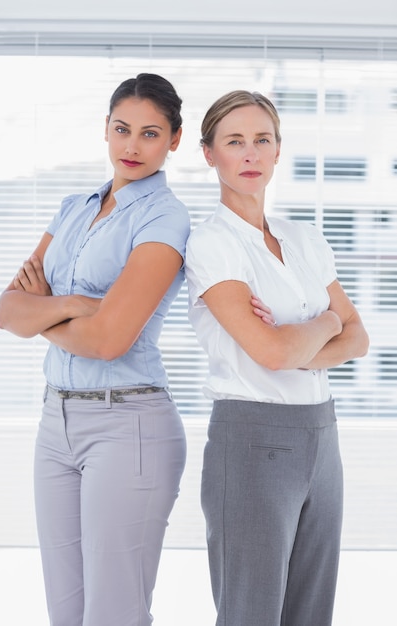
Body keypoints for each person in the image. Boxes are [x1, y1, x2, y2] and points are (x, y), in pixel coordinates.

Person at [0, 73, 190, 626]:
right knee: (66, 612)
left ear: (173, 141)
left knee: (113, 615)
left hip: (128, 424)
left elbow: (109, 341)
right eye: (122, 129)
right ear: (105, 129)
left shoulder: (164, 218)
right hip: (54, 423)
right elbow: (8, 311)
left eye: (150, 134)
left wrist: (50, 309)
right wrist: (80, 303)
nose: (133, 146)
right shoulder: (73, 207)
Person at [185, 90, 369, 626]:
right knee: (251, 613)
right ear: (209, 154)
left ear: (278, 151)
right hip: (252, 439)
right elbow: (270, 351)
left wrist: (313, 334)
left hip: (322, 436)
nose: (250, 154)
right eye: (234, 141)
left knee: (313, 612)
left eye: (261, 140)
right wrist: (328, 323)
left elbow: (359, 337)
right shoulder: (212, 244)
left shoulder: (305, 239)